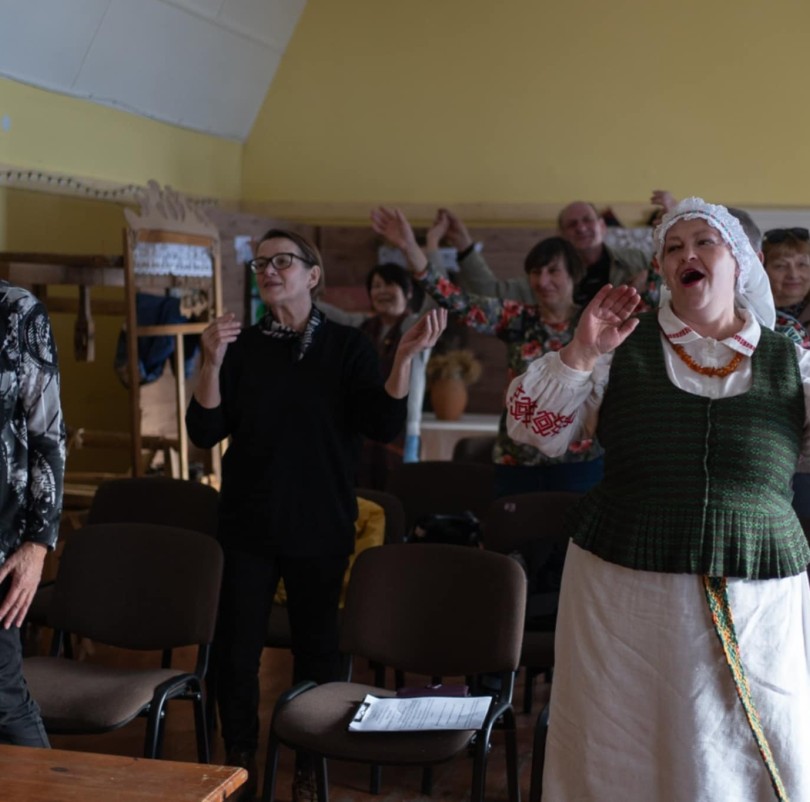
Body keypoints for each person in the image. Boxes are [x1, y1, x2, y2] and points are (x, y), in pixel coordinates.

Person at [505, 197, 810, 801]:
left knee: (739, 747)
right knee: (623, 740)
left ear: (740, 262)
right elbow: (533, 433)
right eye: (673, 247)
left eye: (704, 242)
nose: (686, 254)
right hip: (627, 595)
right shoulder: (619, 347)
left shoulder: (791, 360)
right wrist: (580, 352)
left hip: (755, 593)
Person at [185, 228, 445, 801]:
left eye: (282, 261)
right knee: (236, 652)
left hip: (320, 525)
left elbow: (382, 422)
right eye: (261, 264)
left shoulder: (347, 347)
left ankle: (310, 762)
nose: (269, 271)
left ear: (313, 274)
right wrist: (211, 361)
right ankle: (240, 759)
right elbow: (204, 429)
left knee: (318, 654)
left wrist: (403, 358)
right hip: (247, 524)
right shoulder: (241, 346)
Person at [371, 206, 604, 498]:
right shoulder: (517, 318)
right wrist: (409, 247)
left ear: (574, 274)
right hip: (517, 461)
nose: (543, 281)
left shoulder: (595, 325)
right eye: (536, 272)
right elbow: (453, 298)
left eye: (553, 270)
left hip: (580, 462)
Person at [0, 282, 65, 747]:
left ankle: (47, 783)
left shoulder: (18, 311)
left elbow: (48, 435)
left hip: (3, 541)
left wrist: (38, 544)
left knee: (3, 697)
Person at [435, 203, 660, 309]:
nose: (581, 228)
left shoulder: (636, 261)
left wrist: (650, 279)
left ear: (602, 226)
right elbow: (490, 294)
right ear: (560, 234)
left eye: (587, 220)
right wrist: (464, 246)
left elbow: (672, 287)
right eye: (572, 224)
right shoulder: (544, 278)